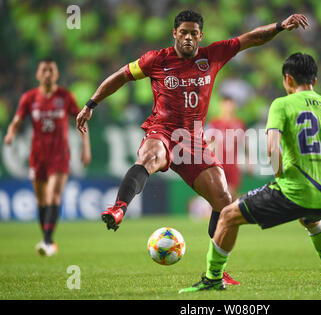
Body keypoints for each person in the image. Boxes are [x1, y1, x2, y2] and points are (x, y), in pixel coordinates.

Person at [75, 10, 309, 285]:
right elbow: (121, 76)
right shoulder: (156, 59)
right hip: (161, 131)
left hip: (193, 141)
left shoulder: (212, 56)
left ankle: (216, 272)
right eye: (183, 32)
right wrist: (91, 104)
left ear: (200, 35)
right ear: (174, 33)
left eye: (193, 33)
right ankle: (118, 208)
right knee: (150, 156)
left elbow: (249, 39)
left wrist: (280, 25)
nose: (188, 37)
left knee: (224, 200)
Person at [179, 52, 321, 293]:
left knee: (228, 215)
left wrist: (279, 175)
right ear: (315, 80)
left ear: (288, 79)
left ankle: (212, 278)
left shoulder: (282, 104)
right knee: (311, 219)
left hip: (295, 191)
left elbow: (273, 148)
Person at [4, 58, 91, 256]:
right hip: (37, 156)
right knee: (41, 200)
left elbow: (81, 121)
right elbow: (17, 121)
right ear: (38, 74)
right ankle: (47, 238)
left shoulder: (65, 96)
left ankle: (48, 240)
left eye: (51, 70)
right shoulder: (30, 98)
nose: (48, 74)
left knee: (53, 195)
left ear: (57, 74)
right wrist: (10, 133)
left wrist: (86, 148)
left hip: (59, 155)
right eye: (44, 70)